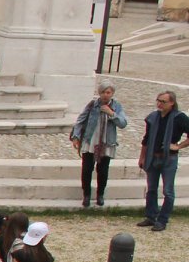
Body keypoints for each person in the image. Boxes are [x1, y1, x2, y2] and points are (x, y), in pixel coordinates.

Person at [137, 90, 189, 231]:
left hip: (169, 158)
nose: (159, 104)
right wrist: (142, 157)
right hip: (153, 157)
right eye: (158, 100)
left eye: (163, 101)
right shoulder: (153, 117)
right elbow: (146, 139)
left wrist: (178, 146)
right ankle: (151, 216)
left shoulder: (180, 118)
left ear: (172, 103)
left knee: (168, 191)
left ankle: (162, 220)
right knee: (151, 189)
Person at [71, 85, 126, 208]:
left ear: (112, 93)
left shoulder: (116, 106)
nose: (105, 95)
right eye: (103, 92)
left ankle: (100, 194)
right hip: (90, 140)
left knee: (103, 170)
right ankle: (86, 195)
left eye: (108, 92)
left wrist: (112, 114)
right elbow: (81, 120)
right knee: (86, 169)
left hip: (106, 142)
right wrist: (76, 136)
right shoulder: (92, 105)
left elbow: (123, 123)